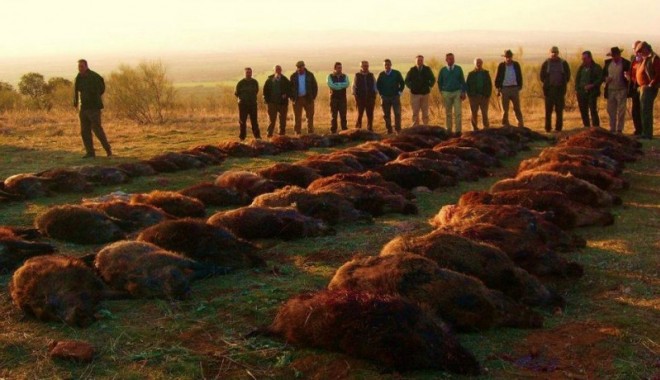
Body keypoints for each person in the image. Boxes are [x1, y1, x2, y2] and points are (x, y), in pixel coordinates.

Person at [74, 59, 112, 158]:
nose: (80, 68)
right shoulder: (79, 77)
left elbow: (101, 88)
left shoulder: (94, 76)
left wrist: (94, 96)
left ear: (86, 66)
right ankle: (90, 152)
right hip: (83, 108)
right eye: (79, 67)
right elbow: (76, 90)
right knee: (84, 131)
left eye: (81, 66)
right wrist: (76, 103)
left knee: (97, 130)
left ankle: (107, 149)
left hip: (94, 108)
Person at [540, 46, 571, 132]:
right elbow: (542, 76)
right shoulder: (546, 63)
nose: (554, 54)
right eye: (552, 52)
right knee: (548, 111)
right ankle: (548, 128)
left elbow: (567, 76)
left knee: (559, 111)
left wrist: (562, 85)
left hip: (559, 91)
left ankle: (558, 128)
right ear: (550, 53)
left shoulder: (563, 63)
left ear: (558, 53)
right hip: (549, 91)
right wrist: (547, 85)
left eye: (555, 52)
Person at [635, 41, 660, 140]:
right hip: (643, 88)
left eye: (641, 51)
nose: (640, 53)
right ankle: (645, 132)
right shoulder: (645, 58)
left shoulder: (654, 58)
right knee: (643, 111)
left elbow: (658, 74)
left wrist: (651, 84)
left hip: (648, 89)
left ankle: (647, 134)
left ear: (646, 49)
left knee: (646, 111)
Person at [602, 47, 631, 133]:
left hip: (622, 89)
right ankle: (612, 128)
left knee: (621, 111)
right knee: (611, 110)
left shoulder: (626, 63)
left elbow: (630, 76)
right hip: (611, 90)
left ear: (619, 54)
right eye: (612, 56)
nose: (614, 57)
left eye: (615, 55)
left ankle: (619, 129)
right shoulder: (608, 64)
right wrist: (606, 79)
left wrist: (628, 77)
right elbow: (603, 76)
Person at [438, 53, 467, 134]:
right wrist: (442, 91)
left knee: (458, 113)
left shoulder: (458, 69)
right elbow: (439, 81)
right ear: (446, 60)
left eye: (452, 58)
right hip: (446, 93)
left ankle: (458, 131)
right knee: (448, 113)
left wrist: (463, 92)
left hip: (457, 92)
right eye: (449, 59)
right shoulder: (443, 70)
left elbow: (463, 81)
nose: (451, 60)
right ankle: (449, 130)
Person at [495, 49, 524, 127]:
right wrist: (498, 88)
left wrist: (520, 86)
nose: (508, 58)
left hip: (514, 88)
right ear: (504, 57)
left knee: (517, 108)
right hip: (504, 89)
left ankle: (520, 124)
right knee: (505, 109)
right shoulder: (501, 65)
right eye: (507, 57)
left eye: (510, 57)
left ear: (512, 57)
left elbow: (520, 76)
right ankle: (506, 125)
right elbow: (497, 78)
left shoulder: (516, 65)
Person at [404, 55, 435, 126]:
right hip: (415, 94)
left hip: (425, 94)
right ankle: (416, 127)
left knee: (425, 112)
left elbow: (433, 79)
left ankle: (425, 127)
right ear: (415, 61)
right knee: (415, 112)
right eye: (418, 60)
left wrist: (430, 87)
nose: (419, 62)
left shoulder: (427, 69)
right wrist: (411, 87)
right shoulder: (412, 70)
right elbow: (406, 81)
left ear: (423, 61)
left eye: (421, 60)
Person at [575, 51, 603, 128]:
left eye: (585, 58)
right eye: (582, 59)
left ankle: (596, 128)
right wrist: (577, 89)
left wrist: (592, 85)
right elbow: (577, 80)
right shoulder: (581, 68)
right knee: (583, 111)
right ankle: (586, 127)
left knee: (593, 110)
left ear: (590, 58)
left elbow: (600, 79)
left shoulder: (596, 67)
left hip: (592, 93)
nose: (583, 60)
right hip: (581, 93)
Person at [376, 59, 405, 134]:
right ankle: (389, 130)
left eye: (388, 64)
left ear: (391, 65)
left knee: (397, 113)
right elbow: (377, 85)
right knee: (386, 114)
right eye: (385, 64)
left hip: (395, 96)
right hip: (385, 97)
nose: (387, 66)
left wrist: (399, 92)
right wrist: (381, 94)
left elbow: (402, 83)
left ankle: (398, 129)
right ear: (384, 65)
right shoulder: (381, 74)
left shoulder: (396, 73)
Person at [290, 61, 318, 135]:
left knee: (310, 116)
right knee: (297, 117)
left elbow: (315, 87)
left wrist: (313, 97)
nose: (299, 69)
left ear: (304, 66)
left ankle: (310, 133)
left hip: (308, 98)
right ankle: (297, 133)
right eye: (298, 67)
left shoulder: (310, 75)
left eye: (301, 67)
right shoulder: (293, 76)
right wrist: (292, 98)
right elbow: (290, 88)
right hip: (297, 99)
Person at [263, 65, 291, 137]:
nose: (278, 71)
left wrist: (286, 95)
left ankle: (281, 136)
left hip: (283, 104)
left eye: (279, 69)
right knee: (271, 121)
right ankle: (269, 135)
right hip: (272, 103)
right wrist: (266, 101)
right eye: (276, 69)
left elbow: (290, 90)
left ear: (281, 70)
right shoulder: (269, 80)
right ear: (274, 71)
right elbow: (265, 91)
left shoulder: (285, 80)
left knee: (282, 121)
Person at [465, 58, 492, 130]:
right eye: (477, 63)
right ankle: (474, 128)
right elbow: (467, 85)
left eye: (480, 63)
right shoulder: (471, 74)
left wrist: (488, 95)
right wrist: (470, 95)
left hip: (484, 96)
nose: (479, 64)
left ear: (482, 63)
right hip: (474, 97)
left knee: (484, 113)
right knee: (474, 113)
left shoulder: (486, 73)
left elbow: (489, 85)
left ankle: (486, 128)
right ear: (475, 64)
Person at [234, 67, 261, 140]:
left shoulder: (254, 82)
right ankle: (242, 137)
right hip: (243, 105)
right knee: (242, 121)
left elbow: (256, 91)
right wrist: (243, 98)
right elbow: (236, 93)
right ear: (244, 73)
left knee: (254, 121)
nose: (249, 74)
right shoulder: (240, 83)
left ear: (251, 73)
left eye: (250, 72)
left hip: (253, 104)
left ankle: (257, 137)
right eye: (247, 72)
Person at [353, 61, 377, 130]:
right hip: (360, 99)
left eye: (367, 66)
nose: (365, 67)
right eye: (364, 66)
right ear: (361, 67)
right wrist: (355, 97)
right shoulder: (357, 75)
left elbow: (375, 86)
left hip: (370, 98)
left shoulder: (371, 75)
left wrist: (374, 95)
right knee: (359, 115)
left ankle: (370, 129)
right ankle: (357, 130)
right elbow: (354, 86)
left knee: (370, 115)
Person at [327, 62, 350, 134]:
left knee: (343, 116)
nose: (340, 69)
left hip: (342, 99)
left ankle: (344, 131)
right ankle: (333, 131)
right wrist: (340, 86)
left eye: (341, 67)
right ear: (335, 68)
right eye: (338, 68)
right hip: (333, 99)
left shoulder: (345, 76)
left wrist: (337, 85)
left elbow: (347, 84)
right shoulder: (330, 76)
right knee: (333, 116)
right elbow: (331, 85)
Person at [630, 41, 644, 135]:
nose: (634, 51)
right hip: (634, 86)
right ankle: (637, 129)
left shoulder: (644, 59)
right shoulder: (633, 59)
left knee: (642, 109)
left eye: (635, 48)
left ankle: (643, 130)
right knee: (634, 110)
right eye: (633, 49)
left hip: (642, 86)